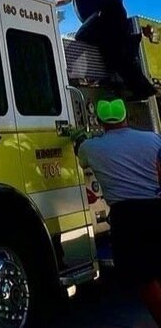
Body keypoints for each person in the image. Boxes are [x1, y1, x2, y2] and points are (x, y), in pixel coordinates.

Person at [74, 98, 161, 324]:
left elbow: (81, 160)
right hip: (156, 208)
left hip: (127, 217)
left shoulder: (91, 148)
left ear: (100, 121)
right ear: (126, 117)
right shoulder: (153, 139)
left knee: (144, 278)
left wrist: (81, 138)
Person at [38, 0, 156, 101]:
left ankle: (126, 46)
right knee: (114, 56)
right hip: (103, 22)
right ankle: (141, 88)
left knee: (82, 35)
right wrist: (44, 3)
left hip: (108, 15)